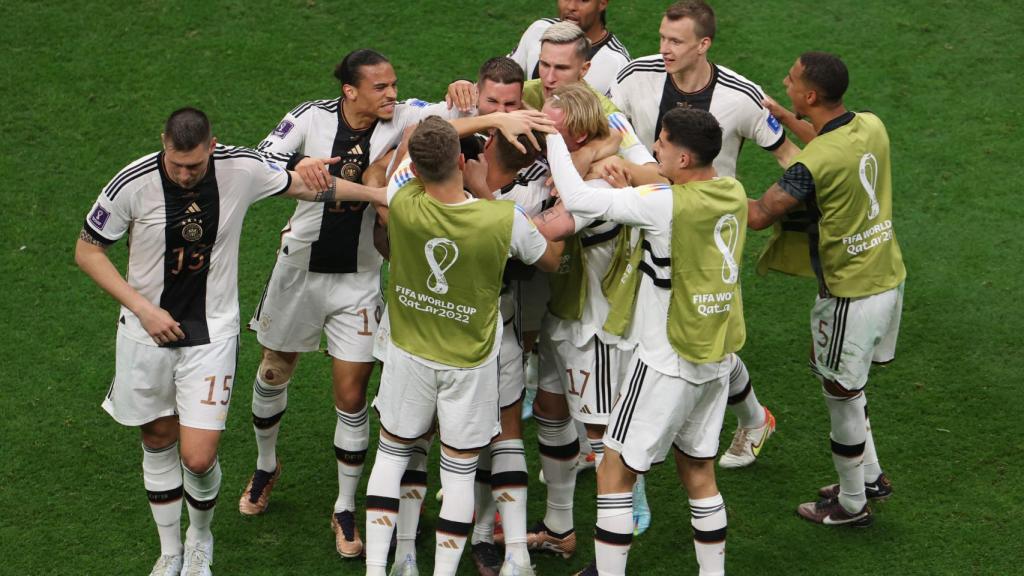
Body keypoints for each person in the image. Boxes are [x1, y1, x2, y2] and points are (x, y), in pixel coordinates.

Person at [74, 107, 386, 576]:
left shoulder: (239, 167)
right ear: (163, 143)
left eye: (195, 166)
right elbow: (88, 249)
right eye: (176, 164)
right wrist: (143, 308)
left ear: (212, 148)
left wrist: (379, 194)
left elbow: (309, 186)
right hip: (144, 333)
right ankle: (170, 551)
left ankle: (200, 538)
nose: (184, 174)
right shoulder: (131, 183)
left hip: (211, 333)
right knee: (157, 439)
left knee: (197, 458)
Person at [548, 106, 749, 576]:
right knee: (698, 471)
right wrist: (631, 148)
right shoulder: (733, 192)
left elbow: (576, 198)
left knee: (613, 470)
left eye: (661, 141)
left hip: (665, 363)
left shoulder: (663, 205)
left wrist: (553, 135)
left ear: (682, 158)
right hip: (715, 362)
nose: (654, 146)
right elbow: (659, 176)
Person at [363, 117, 562, 576]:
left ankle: (380, 569)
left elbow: (412, 137)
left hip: (409, 353)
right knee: (458, 470)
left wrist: (486, 118)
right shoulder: (500, 218)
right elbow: (550, 259)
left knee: (392, 455)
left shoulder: (402, 198)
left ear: (415, 166)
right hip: (469, 363)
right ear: (460, 160)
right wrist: (485, 187)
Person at [610, 0, 798, 468]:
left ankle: (751, 420)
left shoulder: (742, 96)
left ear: (703, 44)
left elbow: (793, 160)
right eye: (661, 37)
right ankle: (616, 426)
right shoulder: (636, 76)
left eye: (675, 41)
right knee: (640, 326)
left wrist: (764, 212)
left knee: (706, 339)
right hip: (645, 222)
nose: (664, 48)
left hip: (709, 240)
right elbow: (610, 131)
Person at [747, 51, 905, 526]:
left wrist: (702, 186)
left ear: (810, 95)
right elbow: (827, 142)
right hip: (887, 277)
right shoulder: (871, 126)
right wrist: (781, 115)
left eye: (791, 81)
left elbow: (758, 215)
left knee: (839, 394)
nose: (785, 81)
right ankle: (870, 477)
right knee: (851, 390)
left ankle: (852, 503)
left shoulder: (810, 167)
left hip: (847, 297)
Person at [518, 83, 635, 560]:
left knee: (606, 446)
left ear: (582, 133)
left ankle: (613, 557)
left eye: (555, 132)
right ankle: (559, 527)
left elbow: (545, 231)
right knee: (548, 410)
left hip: (594, 329)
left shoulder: (603, 182)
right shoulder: (580, 165)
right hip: (561, 316)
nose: (545, 139)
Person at [508, 0, 631, 96]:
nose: (571, 6)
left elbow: (615, 121)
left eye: (583, 0)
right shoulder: (538, 30)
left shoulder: (617, 63)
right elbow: (501, 79)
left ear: (602, 2)